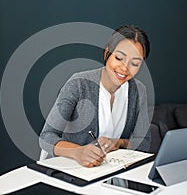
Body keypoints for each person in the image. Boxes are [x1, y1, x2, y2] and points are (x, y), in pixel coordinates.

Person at [39, 25, 151, 168]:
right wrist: (78, 152)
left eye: (134, 63)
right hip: (68, 168)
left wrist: (119, 143)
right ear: (107, 52)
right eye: (119, 58)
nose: (124, 68)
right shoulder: (78, 84)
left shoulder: (138, 90)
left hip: (106, 170)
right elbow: (46, 137)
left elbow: (144, 142)